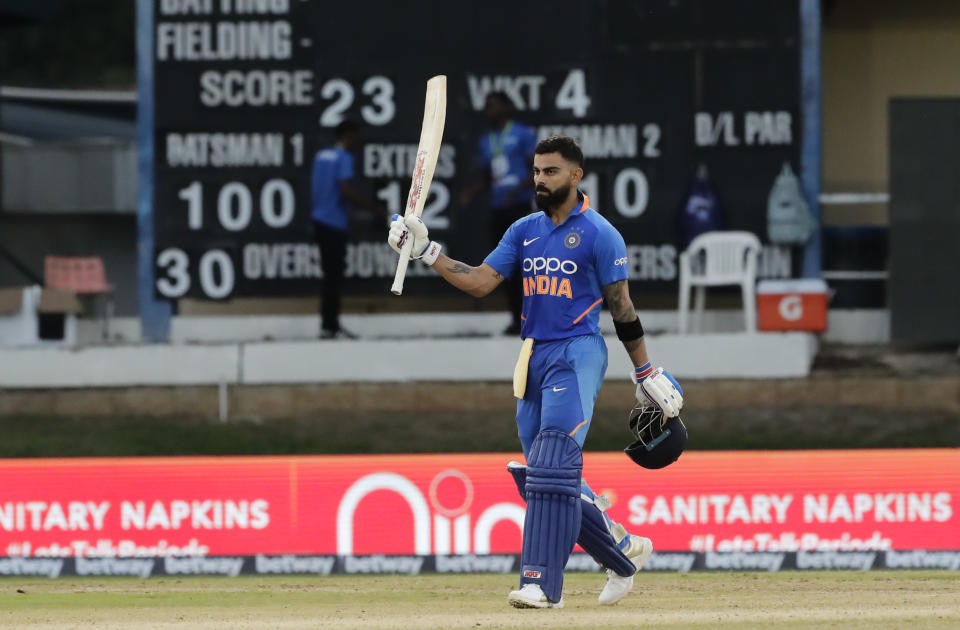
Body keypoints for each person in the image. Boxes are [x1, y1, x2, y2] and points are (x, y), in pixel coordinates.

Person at [388, 135, 684, 608]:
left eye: (550, 172)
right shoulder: (524, 229)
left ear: (575, 175)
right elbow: (482, 281)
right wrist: (428, 252)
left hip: (579, 352)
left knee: (550, 464)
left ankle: (542, 585)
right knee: (545, 476)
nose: (540, 180)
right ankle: (624, 552)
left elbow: (621, 306)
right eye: (536, 172)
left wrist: (645, 371)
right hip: (534, 356)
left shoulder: (601, 234)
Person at [459, 92, 538, 335]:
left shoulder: (523, 134)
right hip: (499, 208)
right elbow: (487, 175)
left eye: (492, 106)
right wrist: (471, 192)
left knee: (528, 266)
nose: (487, 110)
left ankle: (535, 319)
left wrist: (518, 189)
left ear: (506, 107)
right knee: (506, 267)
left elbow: (537, 169)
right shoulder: (486, 141)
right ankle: (517, 319)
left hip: (519, 208)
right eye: (485, 106)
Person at [311, 120, 384, 339]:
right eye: (356, 136)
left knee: (329, 275)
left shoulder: (321, 156)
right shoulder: (344, 158)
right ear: (347, 135)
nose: (358, 141)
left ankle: (329, 324)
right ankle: (330, 326)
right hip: (333, 223)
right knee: (334, 276)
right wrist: (374, 208)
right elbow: (345, 190)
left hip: (319, 219)